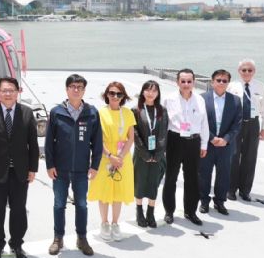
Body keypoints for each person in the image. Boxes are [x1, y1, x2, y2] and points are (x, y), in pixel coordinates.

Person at [0, 77, 39, 258]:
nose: (8, 93)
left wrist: (32, 169)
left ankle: (17, 243)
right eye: (4, 90)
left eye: (11, 90)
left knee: (19, 209)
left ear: (17, 91)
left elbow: (33, 145)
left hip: (20, 172)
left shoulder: (27, 113)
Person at [44, 74, 102, 255]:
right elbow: (49, 142)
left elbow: (97, 142)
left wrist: (95, 166)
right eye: (73, 86)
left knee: (82, 204)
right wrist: (50, 165)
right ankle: (58, 238)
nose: (76, 90)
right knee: (59, 204)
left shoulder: (92, 113)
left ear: (84, 90)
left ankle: (82, 238)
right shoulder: (56, 112)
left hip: (81, 169)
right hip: (60, 169)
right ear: (67, 89)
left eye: (80, 87)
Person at [88, 82, 135, 241]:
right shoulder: (99, 113)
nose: (115, 97)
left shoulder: (128, 113)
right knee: (104, 191)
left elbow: (131, 138)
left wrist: (120, 157)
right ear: (107, 94)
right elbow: (96, 139)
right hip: (104, 157)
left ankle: (115, 223)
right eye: (112, 93)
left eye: (119, 94)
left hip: (123, 158)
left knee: (118, 193)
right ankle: (104, 223)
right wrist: (110, 156)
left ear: (123, 97)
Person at [162, 69, 209, 226]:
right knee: (171, 177)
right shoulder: (168, 99)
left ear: (194, 82)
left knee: (192, 179)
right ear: (177, 82)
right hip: (174, 140)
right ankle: (169, 211)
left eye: (189, 81)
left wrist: (203, 144)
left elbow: (204, 124)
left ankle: (190, 212)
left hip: (193, 142)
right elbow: (162, 123)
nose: (186, 84)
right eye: (183, 81)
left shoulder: (200, 100)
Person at [227, 59, 264, 201]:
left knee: (250, 157)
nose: (246, 73)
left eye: (250, 70)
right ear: (239, 71)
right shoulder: (231, 86)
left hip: (253, 124)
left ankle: (245, 190)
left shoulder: (261, 86)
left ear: (254, 71)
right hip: (235, 124)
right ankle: (231, 189)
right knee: (233, 157)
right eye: (243, 70)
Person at [199, 70, 242, 215]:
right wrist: (211, 137)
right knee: (204, 173)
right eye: (218, 80)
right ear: (212, 82)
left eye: (225, 81)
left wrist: (226, 139)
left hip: (226, 145)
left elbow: (237, 124)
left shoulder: (235, 100)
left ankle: (220, 202)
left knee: (224, 175)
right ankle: (204, 201)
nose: (221, 83)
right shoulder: (201, 99)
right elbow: (198, 122)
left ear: (228, 83)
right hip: (207, 143)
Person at [132, 80, 169, 228]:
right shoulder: (135, 110)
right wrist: (145, 153)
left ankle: (150, 212)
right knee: (140, 182)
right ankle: (139, 211)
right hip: (141, 154)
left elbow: (163, 134)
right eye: (147, 90)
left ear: (158, 93)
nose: (150, 93)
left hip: (158, 154)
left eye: (154, 91)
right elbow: (134, 133)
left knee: (153, 183)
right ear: (142, 92)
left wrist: (158, 154)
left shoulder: (162, 110)